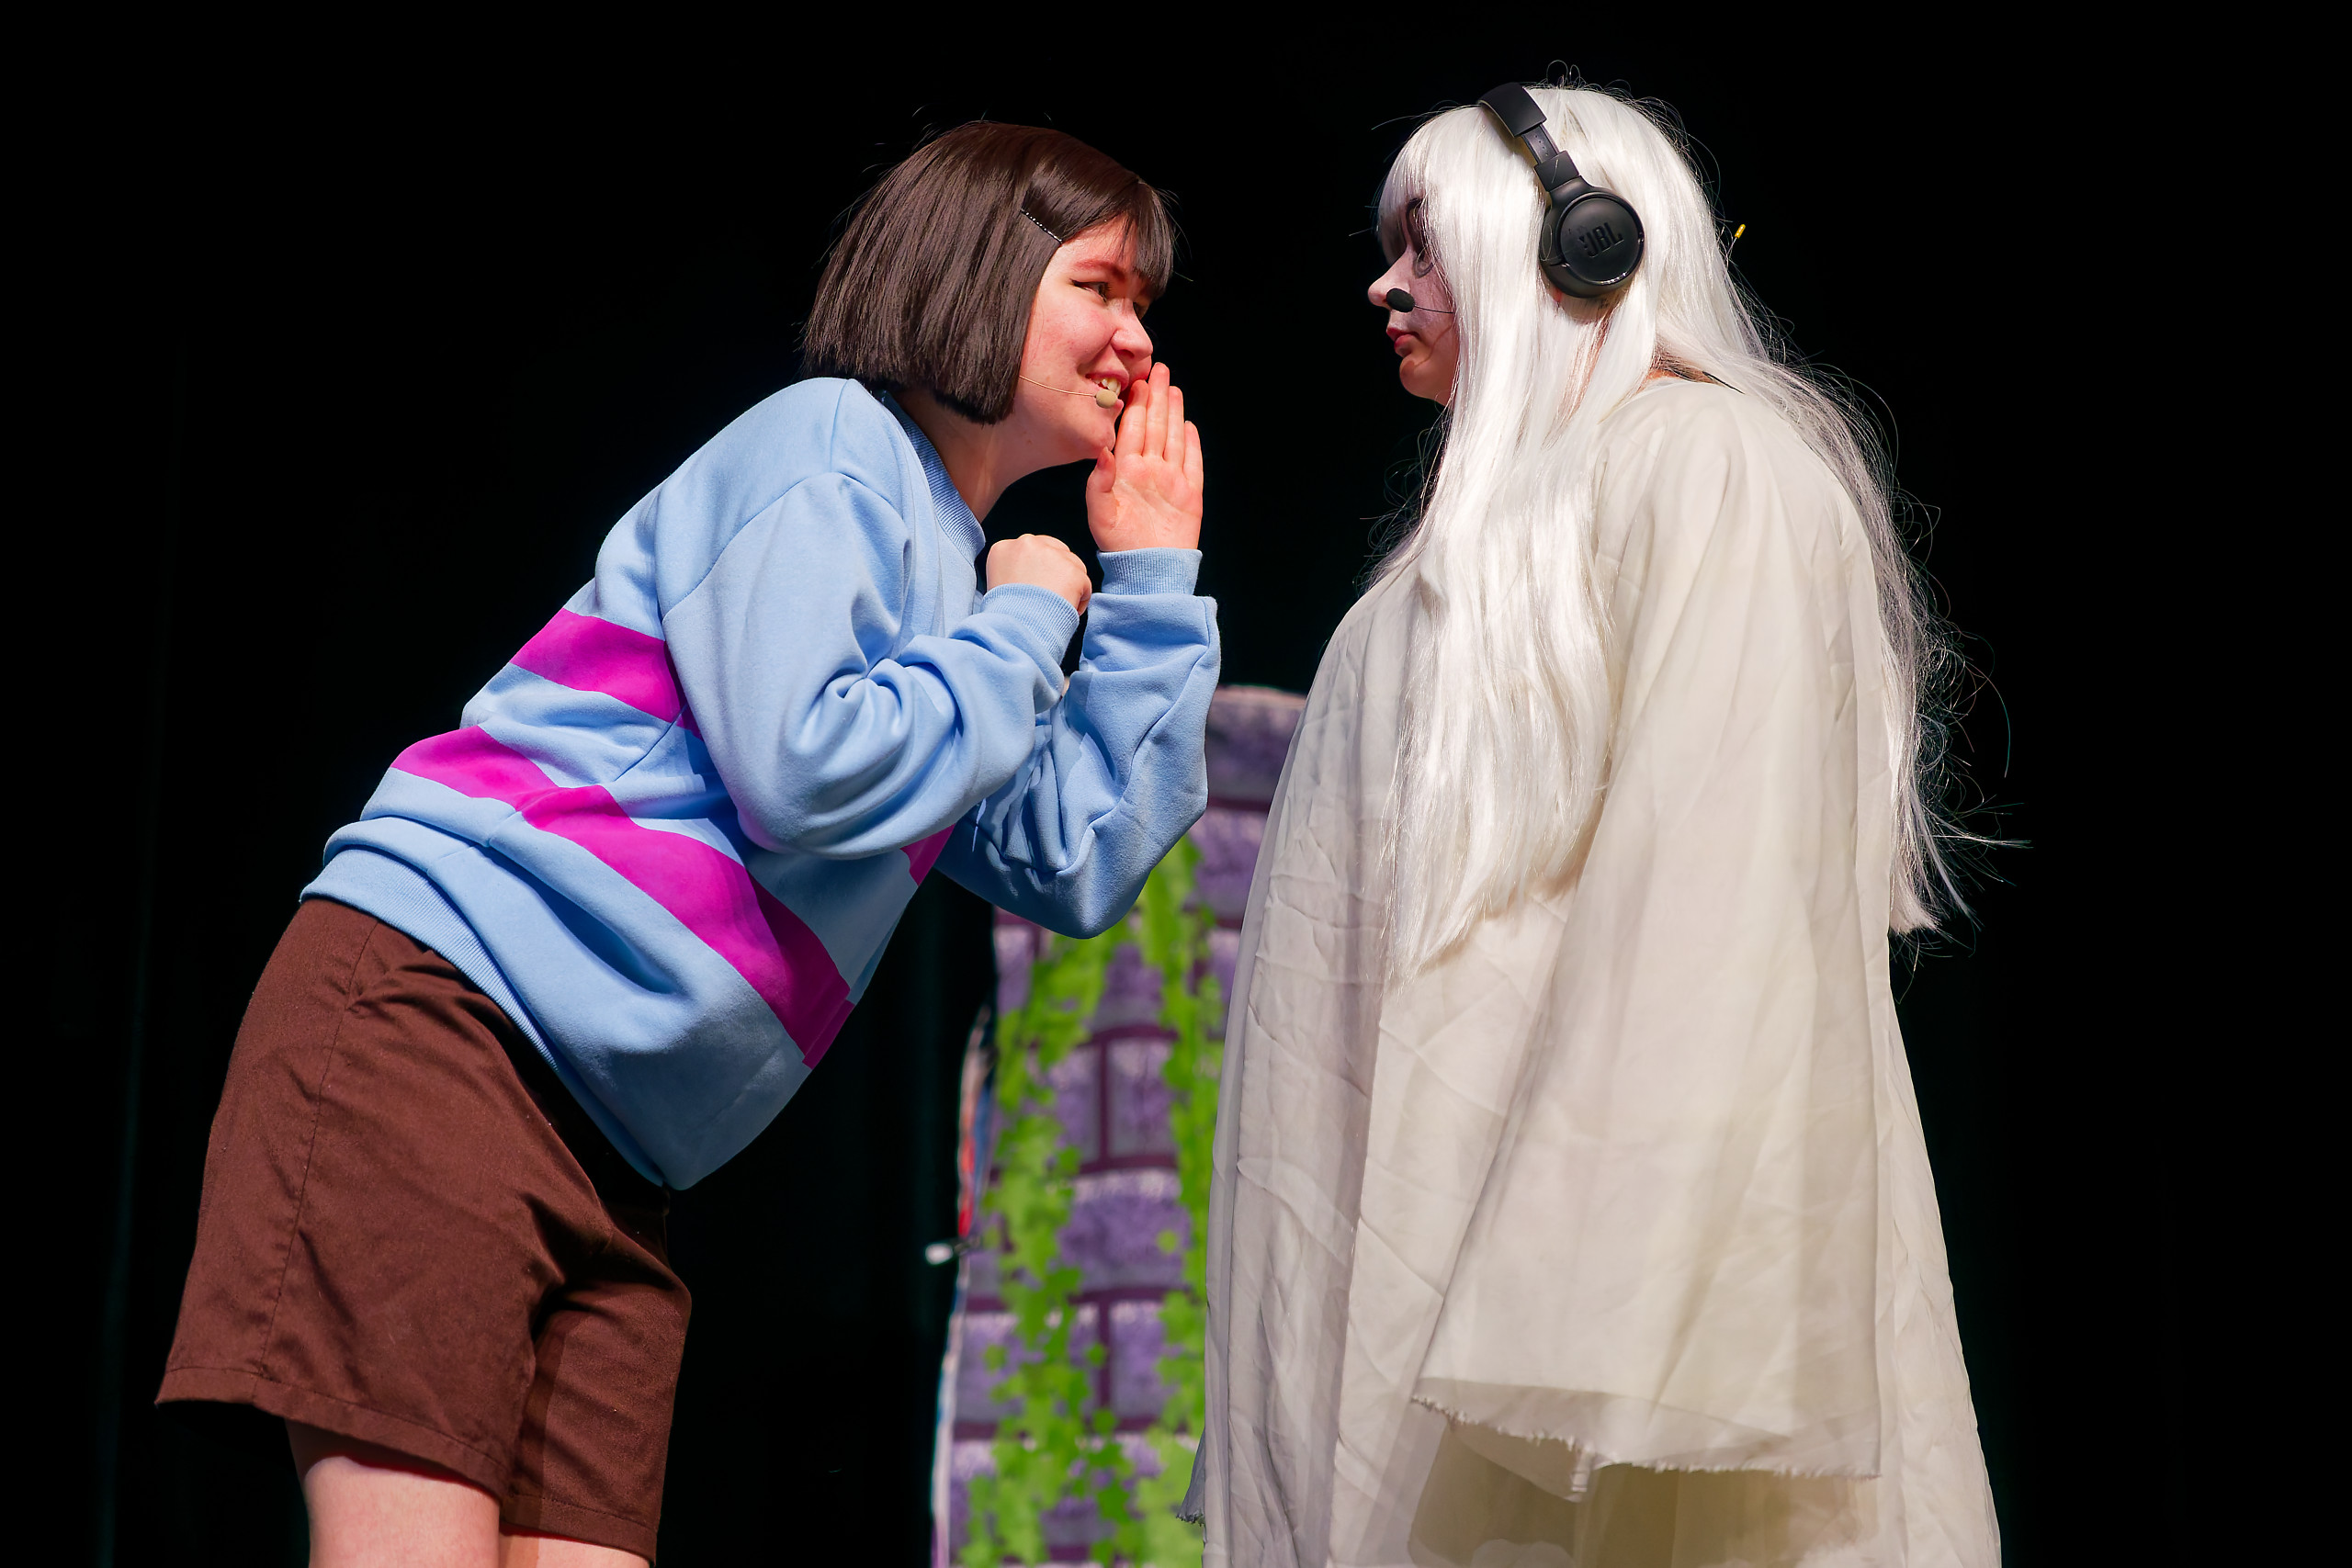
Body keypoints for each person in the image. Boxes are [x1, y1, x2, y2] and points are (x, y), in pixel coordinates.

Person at [159, 121, 1217, 1566]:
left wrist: (1149, 584)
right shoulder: (832, 445)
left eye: (1145, 304)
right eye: (1101, 288)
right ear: (978, 273)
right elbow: (805, 770)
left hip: (618, 1158)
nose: (1137, 341)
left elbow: (1073, 858)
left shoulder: (963, 607)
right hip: (445, 1031)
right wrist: (1031, 614)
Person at [1187, 84, 1998, 1565]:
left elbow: (1716, 889)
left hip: (1572, 1343)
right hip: (1421, 1263)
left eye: (1425, 242)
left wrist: (1590, 1324)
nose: (1386, 285)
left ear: (1582, 245)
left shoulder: (1710, 466)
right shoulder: (1442, 567)